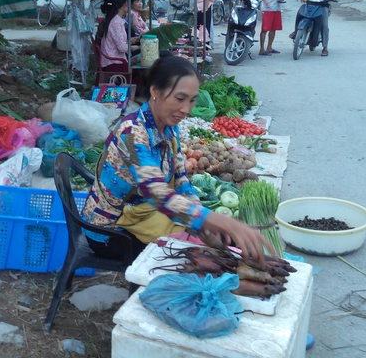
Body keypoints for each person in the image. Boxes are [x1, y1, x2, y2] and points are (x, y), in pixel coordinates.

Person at [81, 54, 276, 264]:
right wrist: (210, 220)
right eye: (180, 99)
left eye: (192, 100)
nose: (186, 109)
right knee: (196, 258)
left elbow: (182, 180)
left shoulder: (168, 127)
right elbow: (157, 193)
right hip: (112, 231)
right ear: (155, 91)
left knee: (221, 246)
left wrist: (199, 219)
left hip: (145, 214)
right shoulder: (132, 133)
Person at [99, 0, 131, 71]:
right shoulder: (116, 22)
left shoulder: (114, 19)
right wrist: (132, 46)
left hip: (112, 61)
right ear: (125, 3)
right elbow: (122, 48)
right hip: (114, 63)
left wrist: (130, 43)